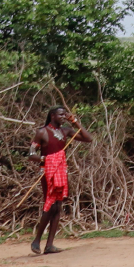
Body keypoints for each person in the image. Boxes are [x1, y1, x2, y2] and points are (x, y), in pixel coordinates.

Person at [29, 107, 90, 256]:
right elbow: (31, 154)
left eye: (65, 114)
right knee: (49, 204)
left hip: (60, 171)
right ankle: (36, 241)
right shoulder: (42, 132)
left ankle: (49, 245)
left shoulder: (66, 131)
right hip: (47, 172)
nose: (64, 116)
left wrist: (75, 122)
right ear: (52, 115)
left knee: (57, 206)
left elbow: (88, 138)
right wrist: (47, 159)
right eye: (61, 114)